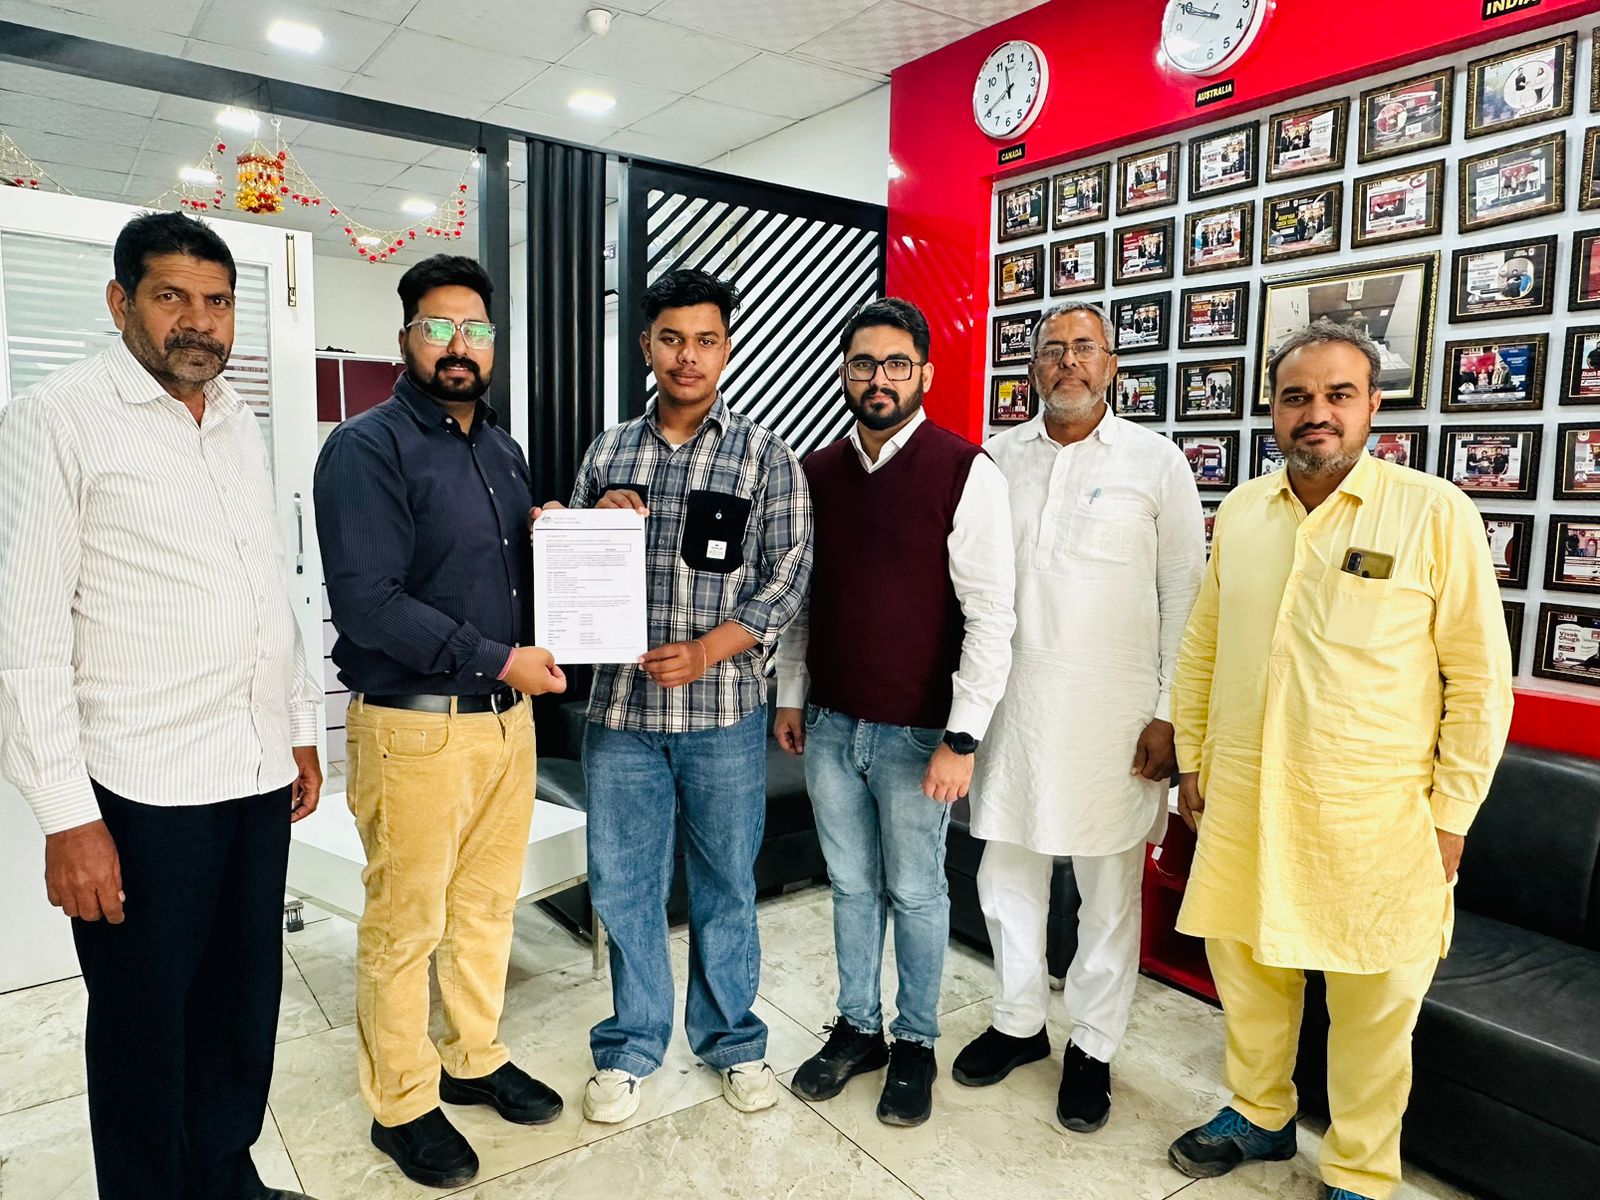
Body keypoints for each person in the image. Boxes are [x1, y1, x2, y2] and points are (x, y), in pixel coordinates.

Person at [0, 211, 322, 1200]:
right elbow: (25, 636)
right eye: (171, 296)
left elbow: (265, 584)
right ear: (120, 302)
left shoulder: (234, 418)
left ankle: (224, 1177)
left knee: (239, 1007)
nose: (199, 321)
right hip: (142, 789)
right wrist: (68, 818)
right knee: (145, 1026)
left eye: (217, 301)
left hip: (253, 773)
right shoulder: (57, 417)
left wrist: (299, 726)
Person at [1166, 320, 1513, 1200]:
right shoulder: (1243, 512)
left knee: (1373, 1007)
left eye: (1337, 394)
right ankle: (1260, 1114)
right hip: (1244, 796)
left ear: (1373, 406)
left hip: (1373, 816)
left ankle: (1359, 1168)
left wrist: (1452, 816)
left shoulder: (1433, 511)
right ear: (1272, 410)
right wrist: (1193, 758)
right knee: (1249, 977)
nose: (1315, 412)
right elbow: (1204, 645)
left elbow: (1480, 682)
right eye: (1296, 396)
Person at [314, 255, 567, 1190]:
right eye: (439, 327)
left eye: (476, 330)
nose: (460, 346)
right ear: (406, 338)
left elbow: (497, 577)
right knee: (406, 924)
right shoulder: (365, 447)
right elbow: (369, 603)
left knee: (486, 910)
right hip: (415, 728)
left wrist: (565, 533)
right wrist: (501, 659)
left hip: (506, 725)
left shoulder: (502, 451)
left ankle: (472, 1056)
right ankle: (402, 1103)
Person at [540, 268, 812, 1125]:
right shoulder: (608, 452)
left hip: (723, 718)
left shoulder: (765, 457)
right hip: (620, 718)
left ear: (725, 349)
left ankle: (732, 1040)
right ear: (647, 346)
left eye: (704, 340)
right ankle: (630, 1045)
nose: (686, 356)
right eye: (670, 339)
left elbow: (786, 579)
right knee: (625, 888)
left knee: (727, 884)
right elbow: (567, 565)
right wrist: (583, 515)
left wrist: (704, 652)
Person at [952, 299, 1206, 1132]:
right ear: (1032, 367)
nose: (1068, 360)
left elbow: (1186, 598)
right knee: (1006, 879)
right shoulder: (995, 459)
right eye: (1053, 348)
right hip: (1015, 711)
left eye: (1085, 347)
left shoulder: (1157, 462)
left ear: (1112, 366)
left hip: (1118, 721)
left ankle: (1092, 1047)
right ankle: (1018, 1023)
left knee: (1108, 892)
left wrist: (1169, 715)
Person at [773, 298, 1017, 1126]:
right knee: (849, 886)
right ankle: (857, 1029)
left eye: (896, 364)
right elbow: (802, 602)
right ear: (845, 373)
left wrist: (963, 737)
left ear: (925, 374)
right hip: (831, 727)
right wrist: (792, 694)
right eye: (863, 364)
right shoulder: (816, 474)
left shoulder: (964, 470)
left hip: (919, 734)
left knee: (915, 892)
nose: (879, 379)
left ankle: (915, 1041)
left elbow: (991, 617)